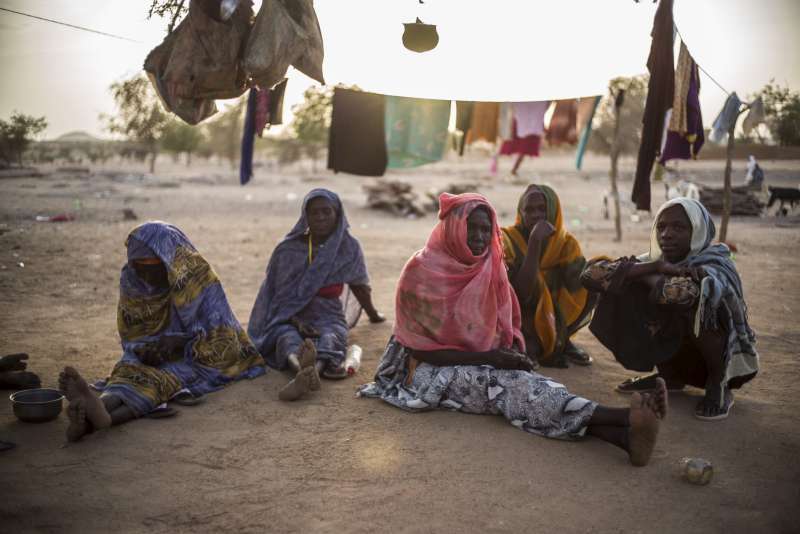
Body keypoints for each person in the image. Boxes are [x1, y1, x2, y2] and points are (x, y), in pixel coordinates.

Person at [359, 193, 667, 466]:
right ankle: (622, 418)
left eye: (485, 229)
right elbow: (418, 348)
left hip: (477, 358)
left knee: (519, 387)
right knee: (506, 387)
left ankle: (624, 438)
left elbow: (498, 326)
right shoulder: (422, 270)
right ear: (454, 226)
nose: (480, 236)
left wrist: (507, 353)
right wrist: (494, 358)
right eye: (472, 227)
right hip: (420, 370)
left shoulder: (487, 265)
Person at [58, 222, 266, 442]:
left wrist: (177, 343)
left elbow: (222, 337)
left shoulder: (196, 279)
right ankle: (99, 407)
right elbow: (133, 333)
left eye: (149, 267)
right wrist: (146, 348)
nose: (144, 276)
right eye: (137, 267)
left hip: (197, 356)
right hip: (149, 354)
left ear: (168, 260)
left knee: (161, 379)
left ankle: (95, 421)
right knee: (129, 369)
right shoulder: (132, 278)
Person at [581, 198, 758, 421]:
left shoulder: (715, 265)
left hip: (717, 362)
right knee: (626, 281)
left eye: (678, 227)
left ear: (697, 231)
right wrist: (653, 267)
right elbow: (589, 276)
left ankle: (719, 385)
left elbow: (679, 294)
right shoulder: (655, 260)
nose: (666, 234)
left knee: (693, 299)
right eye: (662, 227)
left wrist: (641, 275)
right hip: (677, 353)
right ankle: (670, 376)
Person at [248, 189, 385, 402]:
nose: (320, 217)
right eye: (314, 213)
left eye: (326, 212)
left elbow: (359, 286)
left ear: (337, 215)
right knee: (286, 337)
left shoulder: (348, 247)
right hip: (291, 315)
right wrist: (296, 320)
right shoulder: (288, 250)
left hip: (329, 315)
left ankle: (311, 372)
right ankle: (300, 370)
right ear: (306, 216)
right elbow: (278, 297)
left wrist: (373, 314)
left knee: (331, 337)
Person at [501, 184, 595, 368]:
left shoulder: (565, 243)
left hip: (555, 313)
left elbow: (579, 282)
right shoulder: (508, 240)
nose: (535, 214)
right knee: (530, 350)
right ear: (520, 213)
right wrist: (535, 241)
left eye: (542, 209)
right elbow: (521, 292)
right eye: (529, 209)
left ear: (553, 210)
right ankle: (533, 341)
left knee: (593, 278)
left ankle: (562, 336)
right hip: (522, 314)